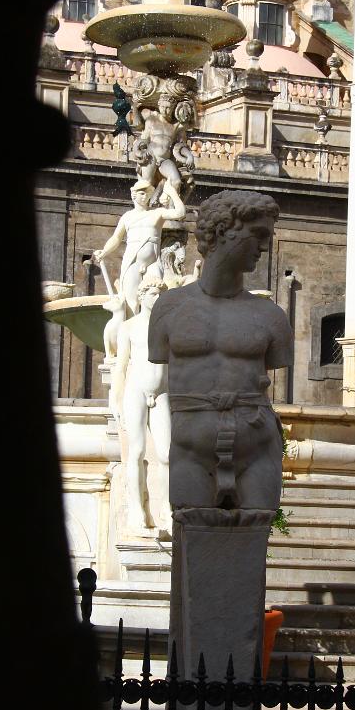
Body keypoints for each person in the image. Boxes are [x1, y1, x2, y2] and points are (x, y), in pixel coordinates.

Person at [148, 190, 293, 511]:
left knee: (252, 534)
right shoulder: (168, 309)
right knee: (193, 532)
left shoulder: (271, 317)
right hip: (190, 451)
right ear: (223, 230)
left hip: (257, 450)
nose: (265, 246)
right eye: (258, 234)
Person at [111, 276, 172, 533]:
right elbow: (120, 366)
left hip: (162, 392)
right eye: (153, 294)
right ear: (142, 295)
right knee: (136, 452)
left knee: (166, 454)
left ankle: (167, 508)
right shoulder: (128, 327)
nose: (157, 298)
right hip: (135, 391)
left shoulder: (169, 327)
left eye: (160, 294)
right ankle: (136, 510)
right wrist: (115, 399)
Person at [92, 177, 185, 317]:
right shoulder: (127, 217)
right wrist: (104, 251)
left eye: (148, 193)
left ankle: (150, 329)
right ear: (134, 195)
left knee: (154, 298)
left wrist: (171, 192)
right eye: (142, 193)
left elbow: (180, 213)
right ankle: (130, 328)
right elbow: (116, 238)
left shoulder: (157, 213)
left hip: (153, 262)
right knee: (131, 303)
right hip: (133, 261)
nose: (145, 195)